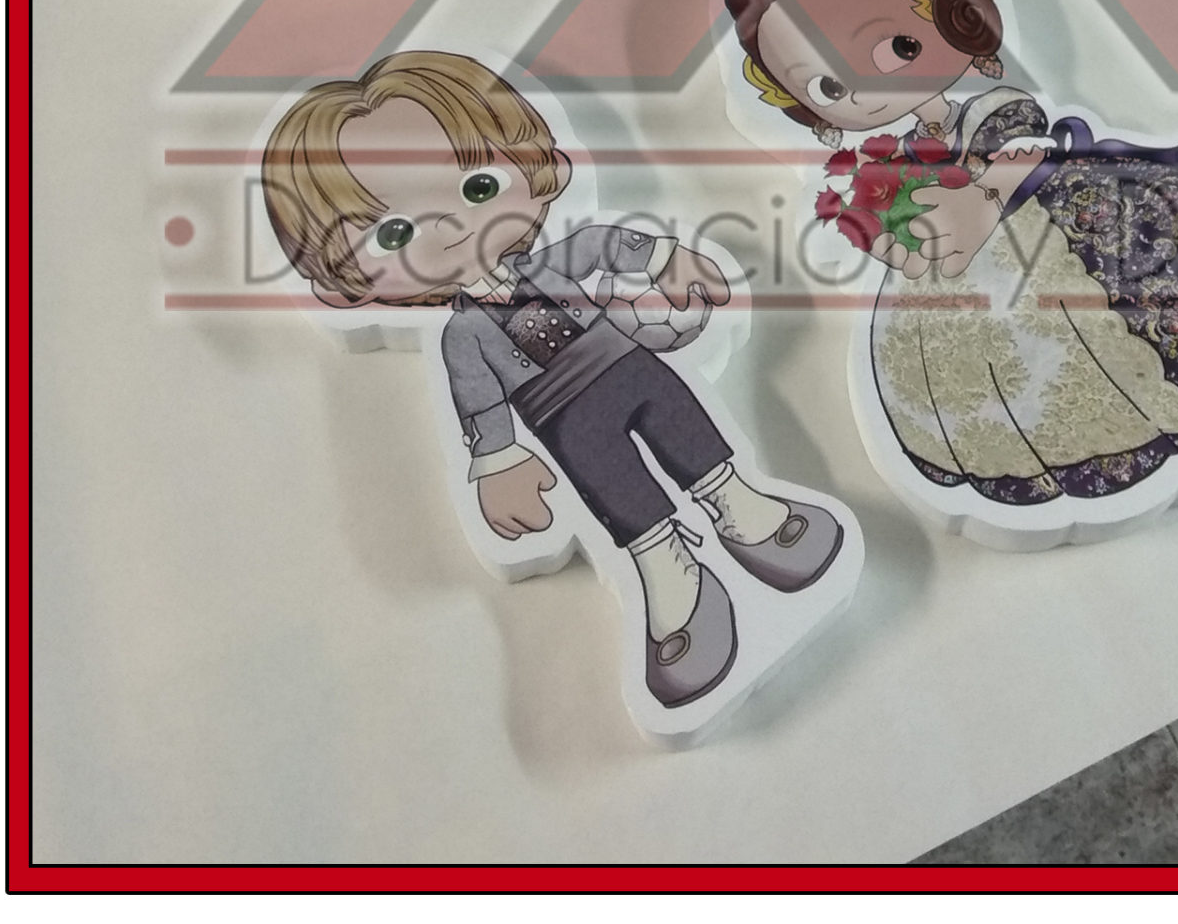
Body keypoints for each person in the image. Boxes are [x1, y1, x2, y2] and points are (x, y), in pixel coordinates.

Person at [262, 50, 845, 708]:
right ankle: (668, 572)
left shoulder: (552, 261)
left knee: (679, 416)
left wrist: (663, 256)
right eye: (394, 231)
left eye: (477, 187)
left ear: (535, 167)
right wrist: (497, 461)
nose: (449, 227)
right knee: (613, 485)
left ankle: (740, 505)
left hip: (629, 363)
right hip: (565, 418)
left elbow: (601, 244)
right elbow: (480, 403)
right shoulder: (462, 335)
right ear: (344, 277)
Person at [726, 0, 1178, 509]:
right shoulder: (894, 157)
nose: (865, 89)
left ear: (954, 13)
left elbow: (1030, 152)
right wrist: (893, 237)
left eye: (897, 46)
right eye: (828, 86)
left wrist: (984, 197)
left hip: (1064, 231)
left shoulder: (992, 110)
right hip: (964, 281)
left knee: (1127, 319)